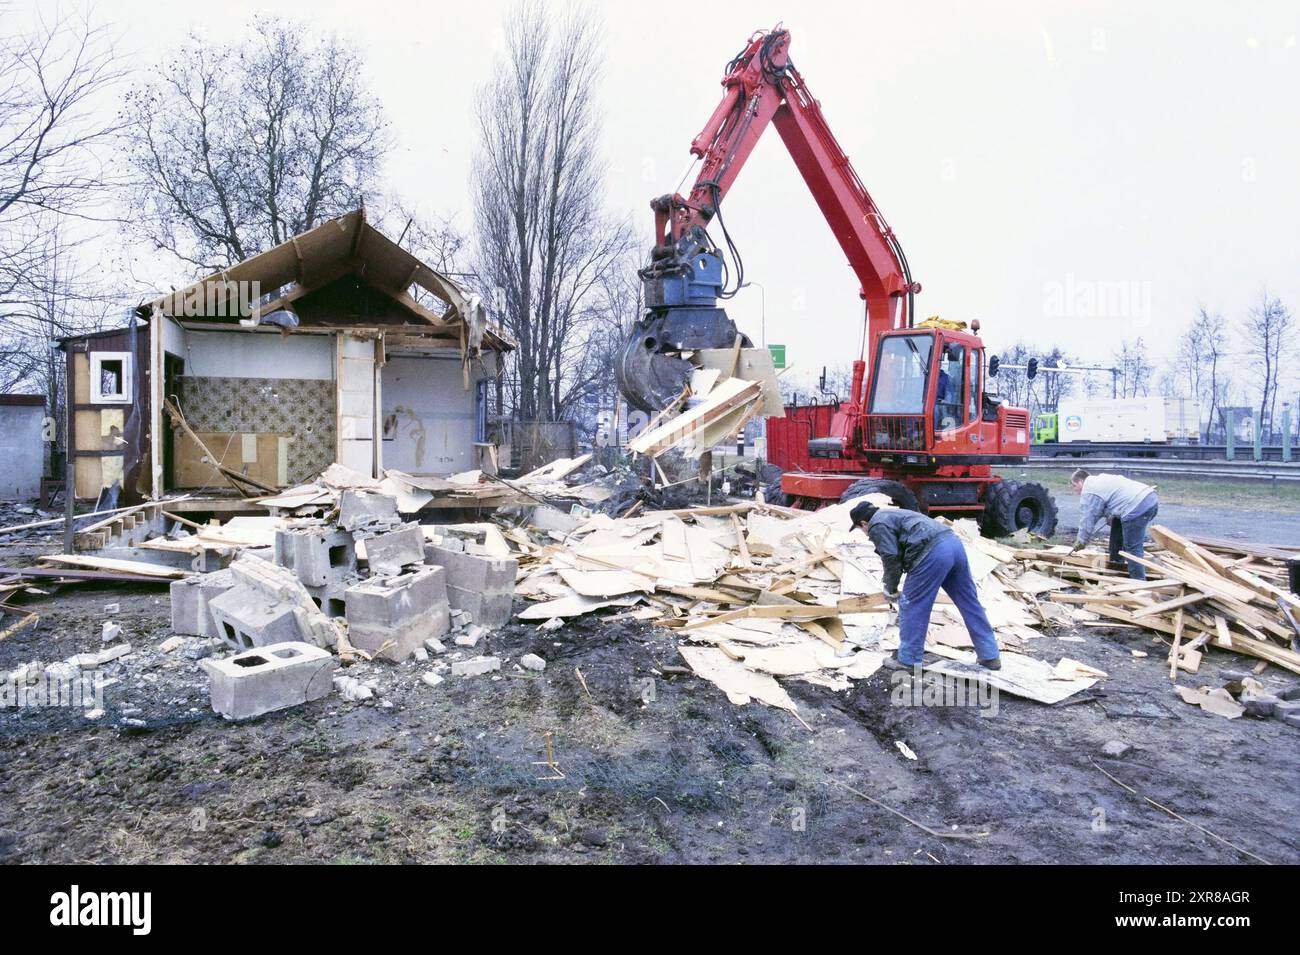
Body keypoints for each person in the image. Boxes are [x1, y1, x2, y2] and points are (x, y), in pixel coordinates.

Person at [849, 500, 1001, 670]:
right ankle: (990, 655)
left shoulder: (876, 524)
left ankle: (908, 660)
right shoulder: (894, 514)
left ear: (863, 523)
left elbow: (891, 556)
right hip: (953, 544)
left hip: (932, 552)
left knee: (912, 604)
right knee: (969, 602)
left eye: (861, 529)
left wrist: (890, 587)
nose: (864, 533)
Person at [1068, 468, 1159, 579]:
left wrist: (1081, 541)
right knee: (1117, 524)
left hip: (1137, 506)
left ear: (1081, 482)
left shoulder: (1089, 490)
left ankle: (1139, 584)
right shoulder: (1099, 481)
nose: (1074, 490)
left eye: (1074, 486)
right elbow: (1112, 502)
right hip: (1148, 498)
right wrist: (1109, 516)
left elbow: (1087, 520)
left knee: (1132, 548)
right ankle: (1117, 565)